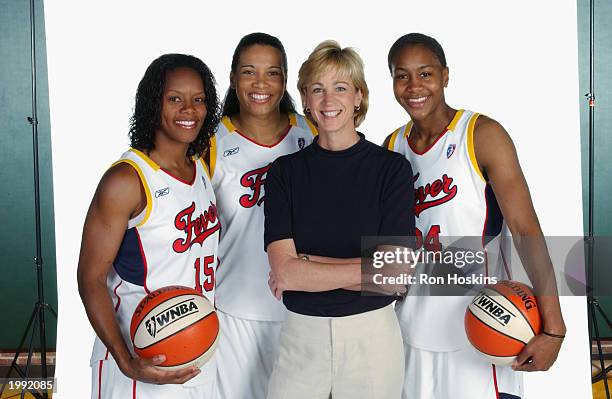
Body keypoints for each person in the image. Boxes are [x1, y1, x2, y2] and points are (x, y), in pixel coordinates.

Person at [383, 33, 566, 399]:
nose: (414, 86)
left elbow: (525, 228)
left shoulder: (481, 134)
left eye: (426, 74)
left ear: (446, 75)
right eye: (402, 75)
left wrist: (554, 329)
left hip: (483, 328)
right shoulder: (391, 146)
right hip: (410, 334)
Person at [264, 40, 415, 399]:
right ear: (305, 99)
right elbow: (284, 273)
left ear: (359, 96)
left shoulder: (391, 170)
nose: (329, 100)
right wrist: (369, 269)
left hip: (372, 338)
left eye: (340, 88)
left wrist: (307, 265)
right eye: (317, 89)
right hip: (301, 336)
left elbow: (395, 276)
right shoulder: (284, 173)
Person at [77, 53, 221, 399]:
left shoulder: (198, 166)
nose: (189, 109)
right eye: (175, 99)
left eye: (198, 99)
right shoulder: (127, 180)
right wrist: (126, 360)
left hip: (195, 350)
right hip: (143, 357)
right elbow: (90, 278)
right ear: (153, 103)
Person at [208, 32, 317, 399]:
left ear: (285, 80)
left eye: (272, 73)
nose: (260, 84)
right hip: (235, 311)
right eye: (248, 72)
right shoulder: (209, 145)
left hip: (305, 308)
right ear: (233, 78)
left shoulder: (314, 132)